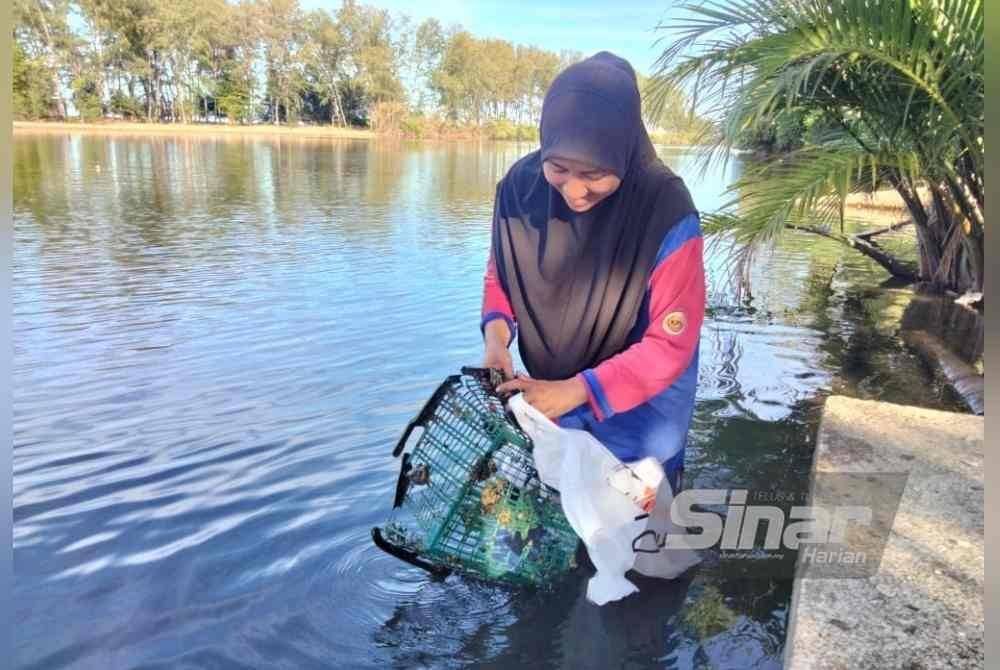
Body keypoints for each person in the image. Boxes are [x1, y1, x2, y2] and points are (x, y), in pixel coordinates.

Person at [480, 51, 704, 492]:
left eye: (595, 174)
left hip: (642, 417)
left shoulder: (666, 209)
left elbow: (669, 346)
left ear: (622, 154)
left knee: (642, 542)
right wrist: (496, 341)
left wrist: (578, 390)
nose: (575, 191)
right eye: (559, 168)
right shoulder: (519, 189)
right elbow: (500, 274)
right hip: (555, 399)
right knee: (564, 528)